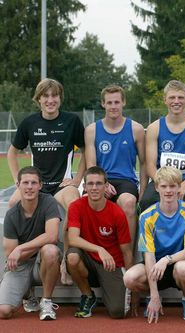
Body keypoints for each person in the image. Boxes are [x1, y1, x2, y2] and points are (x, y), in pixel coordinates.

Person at [7, 78, 85, 285]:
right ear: (38, 99)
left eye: (54, 96)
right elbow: (12, 152)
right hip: (37, 185)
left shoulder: (71, 121)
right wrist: (18, 179)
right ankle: (23, 261)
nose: (50, 100)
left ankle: (66, 263)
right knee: (14, 203)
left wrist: (77, 179)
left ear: (60, 98)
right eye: (46, 96)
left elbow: (86, 151)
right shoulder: (30, 123)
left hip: (61, 185)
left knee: (75, 204)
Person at [123, 166, 185, 323]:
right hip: (156, 265)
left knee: (183, 268)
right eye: (164, 186)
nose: (168, 191)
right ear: (157, 188)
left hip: (179, 261)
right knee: (129, 278)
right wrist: (154, 295)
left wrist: (166, 260)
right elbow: (149, 255)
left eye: (173, 186)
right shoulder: (147, 216)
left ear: (179, 187)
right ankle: (151, 298)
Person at [66, 166, 133, 319]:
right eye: (90, 184)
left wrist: (132, 284)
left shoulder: (116, 212)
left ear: (106, 186)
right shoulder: (76, 206)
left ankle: (112, 288)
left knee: (118, 313)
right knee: (72, 257)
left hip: (111, 264)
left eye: (98, 183)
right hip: (88, 260)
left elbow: (127, 251)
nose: (94, 188)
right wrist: (99, 249)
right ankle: (88, 295)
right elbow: (73, 238)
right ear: (85, 186)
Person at [85, 85, 146, 246]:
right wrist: (103, 183)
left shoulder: (136, 129)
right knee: (86, 202)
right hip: (99, 179)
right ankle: (93, 254)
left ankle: (128, 257)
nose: (113, 106)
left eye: (117, 102)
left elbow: (144, 163)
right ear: (103, 104)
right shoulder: (92, 130)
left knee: (128, 203)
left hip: (126, 181)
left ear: (123, 103)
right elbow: (91, 165)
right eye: (110, 103)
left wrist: (143, 190)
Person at [0, 167, 61, 320]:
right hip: (21, 265)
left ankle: (46, 302)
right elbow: (10, 255)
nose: (29, 187)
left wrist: (21, 248)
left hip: (43, 263)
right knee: (4, 311)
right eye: (25, 182)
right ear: (18, 185)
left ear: (40, 185)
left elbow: (52, 236)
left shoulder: (48, 202)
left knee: (50, 250)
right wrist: (20, 252)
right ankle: (27, 294)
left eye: (34, 183)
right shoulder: (11, 215)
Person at [140, 80, 185, 213]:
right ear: (165, 100)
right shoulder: (154, 128)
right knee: (147, 200)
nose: (176, 101)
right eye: (172, 97)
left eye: (180, 97)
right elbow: (150, 165)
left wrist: (183, 185)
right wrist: (164, 186)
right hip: (161, 180)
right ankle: (151, 233)